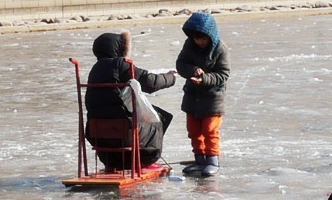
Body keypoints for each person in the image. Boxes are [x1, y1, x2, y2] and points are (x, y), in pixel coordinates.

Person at [83, 31, 178, 170]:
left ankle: (113, 163)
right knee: (158, 119)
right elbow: (151, 83)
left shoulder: (95, 69)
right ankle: (145, 161)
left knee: (116, 121)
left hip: (96, 134)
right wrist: (171, 77)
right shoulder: (121, 64)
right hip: (123, 132)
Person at [173, 11, 230, 177]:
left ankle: (212, 160)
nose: (200, 42)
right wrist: (192, 70)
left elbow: (223, 74)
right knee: (193, 130)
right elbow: (181, 63)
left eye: (203, 38)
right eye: (197, 38)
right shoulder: (189, 45)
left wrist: (204, 78)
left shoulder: (221, 49)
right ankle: (200, 160)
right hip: (192, 96)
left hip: (213, 98)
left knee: (210, 130)